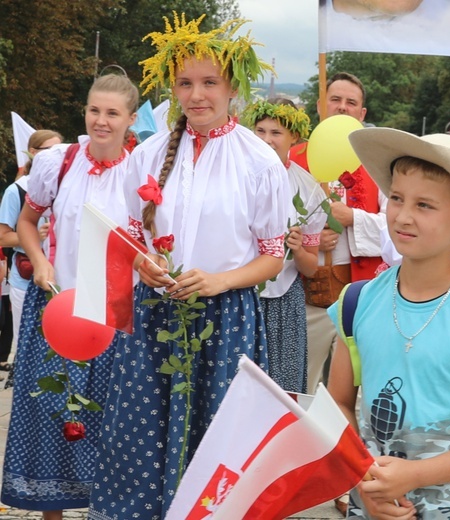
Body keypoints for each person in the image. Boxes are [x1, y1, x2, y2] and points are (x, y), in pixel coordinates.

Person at [88, 14, 289, 519]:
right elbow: (131, 235)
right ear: (172, 88)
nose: (197, 94)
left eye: (209, 82)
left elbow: (273, 256)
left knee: (216, 438)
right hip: (155, 314)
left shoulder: (259, 161)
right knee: (141, 437)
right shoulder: (149, 154)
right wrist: (144, 261)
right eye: (185, 83)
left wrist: (220, 279)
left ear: (232, 86)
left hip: (227, 321)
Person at [328, 128, 450, 520]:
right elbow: (338, 403)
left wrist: (414, 474)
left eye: (425, 205)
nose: (403, 216)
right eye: (397, 199)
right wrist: (362, 481)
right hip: (368, 504)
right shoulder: (356, 302)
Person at [1, 74, 138, 520]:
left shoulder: (144, 173)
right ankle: (51, 514)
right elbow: (26, 222)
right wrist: (39, 261)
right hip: (57, 307)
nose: (101, 121)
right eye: (94, 110)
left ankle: (104, 510)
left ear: (130, 120)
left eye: (112, 113)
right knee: (49, 417)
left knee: (109, 422)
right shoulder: (58, 161)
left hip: (115, 314)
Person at [290, 72, 387, 395]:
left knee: (359, 390)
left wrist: (353, 218)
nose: (342, 108)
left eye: (351, 103)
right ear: (320, 106)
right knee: (303, 383)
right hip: (308, 296)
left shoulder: (380, 162)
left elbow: (397, 225)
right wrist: (312, 240)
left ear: (362, 115)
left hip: (363, 296)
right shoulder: (293, 159)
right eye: (335, 100)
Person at [242, 98, 326, 393]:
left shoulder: (309, 188)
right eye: (260, 130)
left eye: (276, 133)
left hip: (283, 301)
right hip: (241, 295)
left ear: (294, 137)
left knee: (281, 389)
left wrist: (300, 248)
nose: (267, 139)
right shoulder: (237, 176)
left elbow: (311, 267)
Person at [0, 130, 62, 377]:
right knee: (28, 346)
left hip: (62, 278)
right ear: (33, 153)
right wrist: (38, 238)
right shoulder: (17, 190)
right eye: (49, 151)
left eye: (61, 151)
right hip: (26, 279)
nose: (56, 157)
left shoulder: (67, 184)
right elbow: (3, 237)